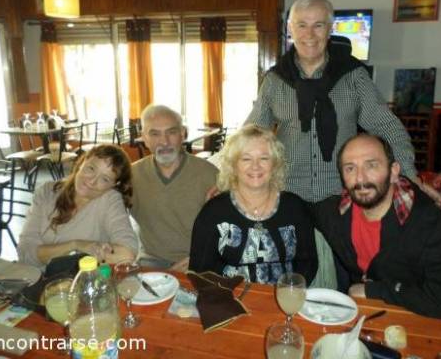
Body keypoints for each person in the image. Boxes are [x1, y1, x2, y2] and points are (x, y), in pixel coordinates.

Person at [246, 0, 438, 288]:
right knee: (285, 269)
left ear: (330, 28)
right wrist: (223, 177)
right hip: (288, 190)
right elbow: (251, 133)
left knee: (356, 267)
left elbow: (387, 126)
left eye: (318, 25)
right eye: (302, 25)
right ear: (290, 30)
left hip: (339, 192)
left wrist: (409, 174)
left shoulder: (353, 76)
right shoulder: (275, 80)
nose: (310, 34)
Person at [313, 133, 441, 322]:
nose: (360, 178)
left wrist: (375, 291)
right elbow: (297, 207)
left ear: (394, 172)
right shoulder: (335, 213)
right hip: (366, 318)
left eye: (371, 165)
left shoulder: (428, 222)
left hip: (418, 319)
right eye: (350, 168)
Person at [189, 125, 317, 285]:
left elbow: (308, 262)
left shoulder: (295, 207)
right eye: (246, 159)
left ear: (275, 164)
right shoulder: (213, 212)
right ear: (233, 166)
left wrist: (290, 291)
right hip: (229, 300)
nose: (255, 166)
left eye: (264, 158)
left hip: (283, 300)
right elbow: (201, 271)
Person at [18, 144, 138, 269]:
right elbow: (26, 252)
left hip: (82, 282)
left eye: (105, 179)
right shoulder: (46, 192)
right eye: (91, 168)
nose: (92, 181)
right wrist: (75, 245)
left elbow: (127, 254)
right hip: (36, 280)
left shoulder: (110, 199)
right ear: (82, 162)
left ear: (114, 185)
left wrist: (48, 253)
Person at [131, 104, 218, 271]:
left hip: (199, 260)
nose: (164, 142)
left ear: (183, 134)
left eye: (171, 132)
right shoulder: (131, 175)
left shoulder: (210, 175)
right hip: (151, 261)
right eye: (154, 134)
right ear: (144, 137)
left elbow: (231, 226)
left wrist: (201, 257)